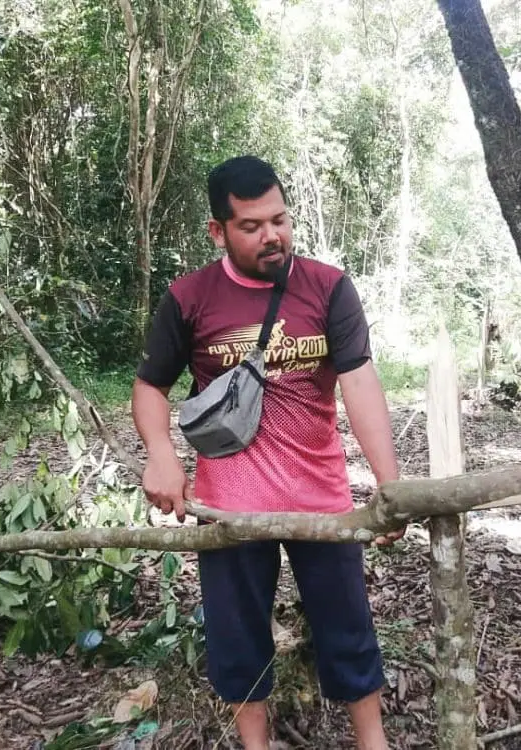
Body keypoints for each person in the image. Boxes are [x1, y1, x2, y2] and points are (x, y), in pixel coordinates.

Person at [131, 154, 404, 750]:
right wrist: (160, 453)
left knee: (349, 628)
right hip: (230, 507)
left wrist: (389, 482)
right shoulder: (189, 298)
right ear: (218, 231)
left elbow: (359, 381)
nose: (271, 235)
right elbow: (150, 385)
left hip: (321, 499)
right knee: (237, 637)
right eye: (251, 226)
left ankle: (372, 742)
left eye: (278, 219)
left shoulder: (328, 287)